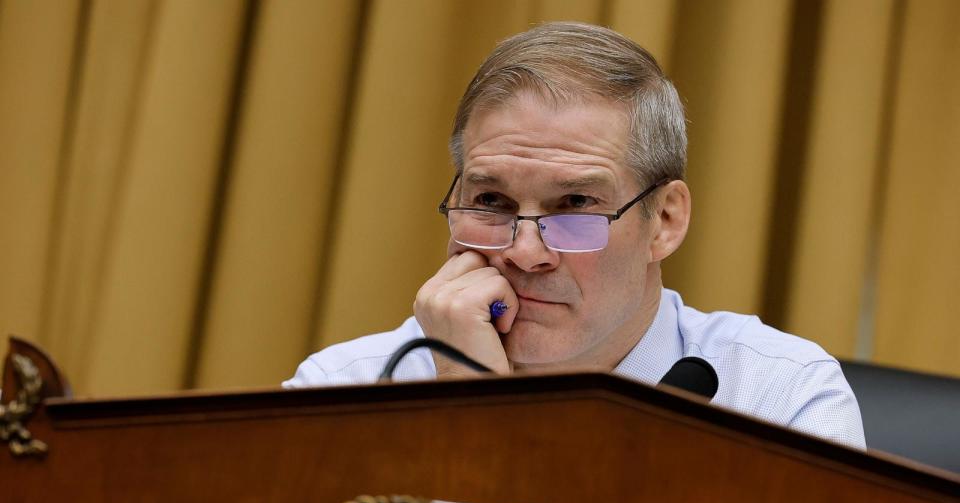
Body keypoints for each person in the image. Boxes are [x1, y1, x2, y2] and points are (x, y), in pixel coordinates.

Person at [284, 22, 866, 449]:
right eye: (491, 201)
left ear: (664, 221)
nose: (525, 251)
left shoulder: (777, 396)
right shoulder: (347, 389)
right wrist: (465, 402)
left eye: (576, 204)